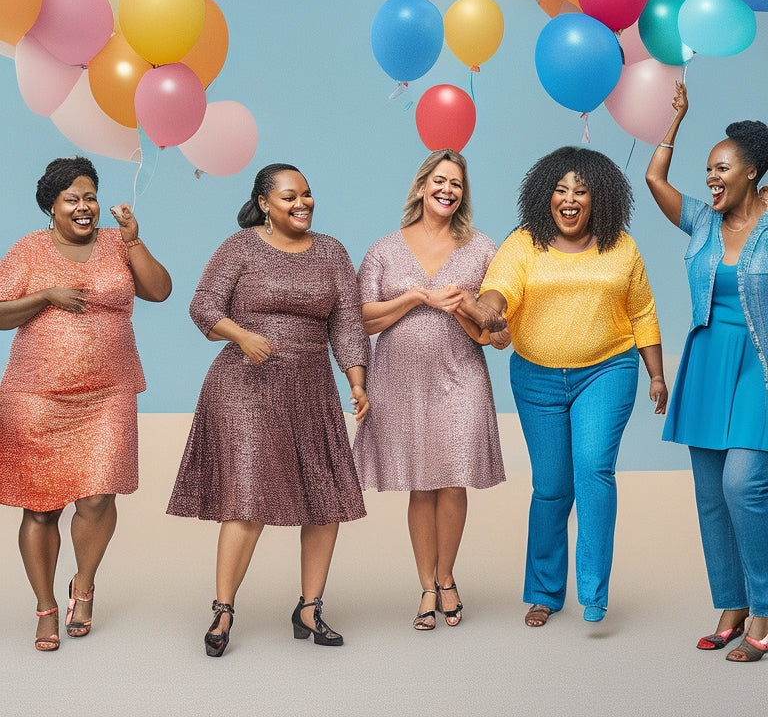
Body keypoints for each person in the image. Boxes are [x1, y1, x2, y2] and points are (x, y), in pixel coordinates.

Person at [167, 163, 369, 656]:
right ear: (264, 204)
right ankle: (223, 609)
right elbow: (203, 307)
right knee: (248, 497)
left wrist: (357, 382)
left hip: (311, 385)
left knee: (326, 499)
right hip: (244, 384)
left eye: (307, 194)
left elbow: (346, 320)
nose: (302, 203)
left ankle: (309, 608)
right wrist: (241, 335)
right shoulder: (239, 248)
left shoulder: (332, 251)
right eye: (289, 197)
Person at [463, 146, 668, 626]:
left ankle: (594, 592)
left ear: (600, 198)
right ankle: (544, 592)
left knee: (594, 470)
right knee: (552, 488)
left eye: (581, 190)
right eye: (560, 190)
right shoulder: (523, 243)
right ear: (545, 196)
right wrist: (487, 309)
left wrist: (656, 373)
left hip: (607, 370)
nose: (570, 199)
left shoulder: (621, 246)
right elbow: (500, 290)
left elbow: (642, 310)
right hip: (536, 378)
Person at [0, 156, 172, 652]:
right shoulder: (29, 251)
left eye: (90, 197)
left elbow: (159, 291)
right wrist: (46, 296)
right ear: (51, 206)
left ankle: (84, 583)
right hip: (36, 396)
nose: (84, 207)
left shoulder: (118, 244)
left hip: (107, 394)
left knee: (98, 498)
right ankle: (45, 607)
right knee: (40, 510)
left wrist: (135, 237)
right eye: (72, 199)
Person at [352, 149, 506, 631]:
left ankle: (446, 578)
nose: (447, 190)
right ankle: (425, 587)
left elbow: (499, 334)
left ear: (463, 194)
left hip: (461, 377)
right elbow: (358, 318)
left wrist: (465, 307)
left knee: (453, 479)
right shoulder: (384, 249)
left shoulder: (482, 248)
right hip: (399, 381)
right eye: (439, 180)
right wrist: (417, 296)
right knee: (420, 486)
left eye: (456, 184)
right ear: (422, 186)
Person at [646, 82, 768, 662]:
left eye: (722, 169)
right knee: (710, 495)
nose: (711, 178)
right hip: (706, 361)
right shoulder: (701, 222)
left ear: (752, 174)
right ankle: (731, 604)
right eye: (708, 170)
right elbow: (653, 181)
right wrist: (675, 122)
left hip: (759, 366)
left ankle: (763, 612)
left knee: (743, 486)